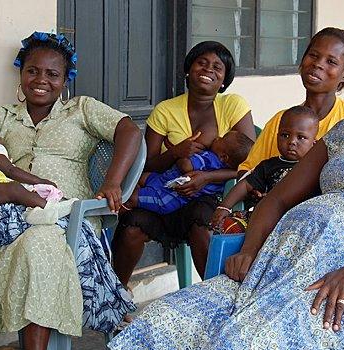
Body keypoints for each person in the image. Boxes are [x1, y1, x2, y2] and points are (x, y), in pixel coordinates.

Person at [108, 15, 344, 350]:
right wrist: (250, 249)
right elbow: (277, 199)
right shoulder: (343, 135)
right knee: (156, 322)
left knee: (240, 344)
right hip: (274, 273)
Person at [0, 31, 142, 350]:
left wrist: (113, 181)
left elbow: (129, 130)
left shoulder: (81, 110)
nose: (41, 80)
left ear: (65, 80)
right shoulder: (0, 117)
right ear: (22, 74)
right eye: (33, 71)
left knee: (36, 245)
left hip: (63, 216)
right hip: (6, 218)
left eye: (52, 74)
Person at [112, 41, 256, 286]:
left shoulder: (232, 105)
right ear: (188, 70)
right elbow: (148, 165)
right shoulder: (165, 111)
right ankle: (117, 296)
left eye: (217, 67)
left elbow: (250, 164)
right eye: (201, 62)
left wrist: (206, 177)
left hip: (210, 196)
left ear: (224, 80)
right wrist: (175, 153)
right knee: (131, 225)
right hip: (166, 191)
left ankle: (213, 295)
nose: (208, 69)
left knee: (202, 221)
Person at [238, 27, 344, 176]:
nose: (318, 64)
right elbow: (248, 170)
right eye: (313, 55)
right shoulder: (281, 120)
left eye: (331, 61)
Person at [210, 105, 319, 232]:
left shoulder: (315, 169)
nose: (292, 142)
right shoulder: (268, 166)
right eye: (285, 135)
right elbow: (245, 185)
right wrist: (224, 207)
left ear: (314, 144)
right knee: (227, 225)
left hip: (299, 221)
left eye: (301, 137)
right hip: (264, 217)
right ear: (277, 136)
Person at [125, 130, 254, 215]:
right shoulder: (224, 172)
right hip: (164, 181)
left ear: (223, 157)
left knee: (131, 197)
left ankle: (115, 209)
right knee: (139, 179)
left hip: (166, 196)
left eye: (222, 139)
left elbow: (186, 167)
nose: (217, 138)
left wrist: (181, 154)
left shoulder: (210, 159)